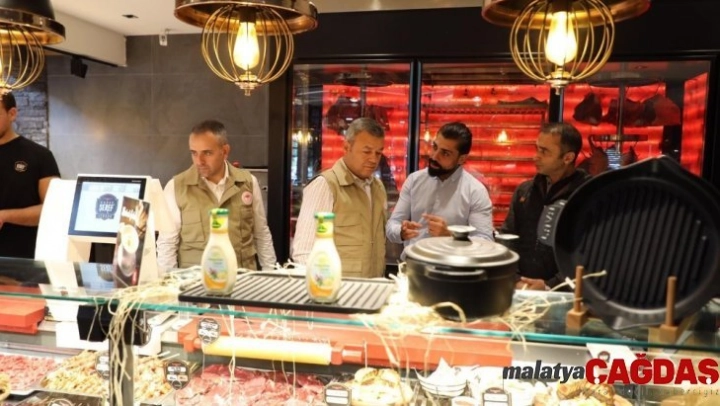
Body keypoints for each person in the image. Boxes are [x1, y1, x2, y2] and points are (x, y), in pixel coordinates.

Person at [156, 120, 276, 272]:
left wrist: (270, 273)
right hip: (194, 281)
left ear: (224, 151)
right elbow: (167, 243)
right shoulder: (176, 187)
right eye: (194, 153)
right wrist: (166, 281)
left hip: (242, 279)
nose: (199, 161)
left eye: (207, 153)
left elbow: (261, 233)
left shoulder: (248, 182)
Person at [292, 117, 387, 278]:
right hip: (337, 287)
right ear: (346, 147)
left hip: (373, 285)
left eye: (378, 153)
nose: (373, 159)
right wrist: (322, 287)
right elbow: (304, 252)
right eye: (367, 151)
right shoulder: (325, 185)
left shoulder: (377, 188)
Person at [500, 122, 590, 290]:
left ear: (568, 158)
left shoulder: (587, 195)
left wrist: (550, 286)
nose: (536, 156)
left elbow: (589, 253)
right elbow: (507, 237)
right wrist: (514, 278)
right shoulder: (524, 191)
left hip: (565, 293)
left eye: (544, 151)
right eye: (537, 149)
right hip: (519, 288)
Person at [386, 122, 493, 251]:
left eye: (445, 153)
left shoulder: (475, 191)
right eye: (435, 147)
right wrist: (401, 232)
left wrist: (450, 236)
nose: (435, 156)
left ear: (461, 159)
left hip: (451, 263)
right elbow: (392, 225)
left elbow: (485, 241)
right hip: (412, 261)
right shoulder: (414, 180)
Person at [0, 92, 60, 259]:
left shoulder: (40, 156)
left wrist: (4, 216)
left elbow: (53, 209)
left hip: (24, 260)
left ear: (12, 114)